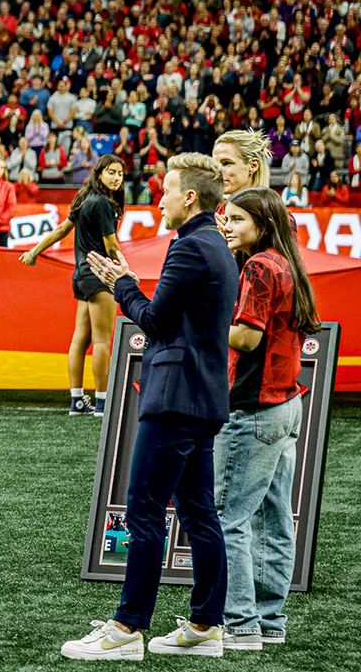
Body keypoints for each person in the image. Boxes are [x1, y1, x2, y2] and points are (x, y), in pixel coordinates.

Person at [64, 153, 236, 660]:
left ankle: (126, 628)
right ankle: (206, 625)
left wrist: (122, 286)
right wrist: (130, 282)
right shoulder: (214, 244)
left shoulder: (190, 246)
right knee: (200, 515)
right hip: (202, 398)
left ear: (189, 197)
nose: (157, 199)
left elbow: (155, 322)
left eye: (166, 190)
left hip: (175, 398)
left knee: (143, 510)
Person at [214, 187, 319, 649]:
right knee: (274, 520)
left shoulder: (259, 266)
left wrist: (200, 319)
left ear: (261, 224)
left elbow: (246, 338)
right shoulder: (286, 260)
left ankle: (239, 625)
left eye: (237, 219)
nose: (228, 226)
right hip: (286, 405)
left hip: (254, 409)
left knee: (229, 519)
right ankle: (269, 621)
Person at [23, 154, 127, 414]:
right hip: (99, 276)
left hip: (81, 276)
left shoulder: (84, 197)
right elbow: (111, 245)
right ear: (99, 173)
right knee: (103, 341)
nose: (117, 178)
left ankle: (77, 400)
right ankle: (103, 403)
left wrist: (34, 251)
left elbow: (61, 230)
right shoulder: (103, 203)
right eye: (112, 172)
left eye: (120, 174)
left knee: (80, 339)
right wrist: (125, 271)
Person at [212, 127, 272, 196]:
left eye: (226, 163)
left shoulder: (271, 206)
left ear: (253, 165)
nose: (216, 171)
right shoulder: (213, 206)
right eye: (215, 165)